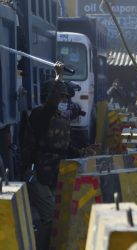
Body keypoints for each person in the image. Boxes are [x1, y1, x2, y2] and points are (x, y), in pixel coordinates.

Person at [20, 62, 89, 249]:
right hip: (37, 173)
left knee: (56, 217)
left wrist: (80, 152)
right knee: (49, 217)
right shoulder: (40, 114)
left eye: (65, 98)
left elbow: (62, 146)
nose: (64, 101)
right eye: (61, 97)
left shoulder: (61, 119)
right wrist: (59, 77)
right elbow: (51, 104)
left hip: (53, 174)